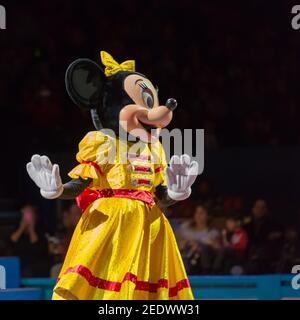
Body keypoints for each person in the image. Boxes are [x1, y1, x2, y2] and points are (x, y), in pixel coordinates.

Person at [178, 205, 220, 274]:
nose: (198, 215)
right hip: (186, 257)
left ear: (208, 216)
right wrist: (188, 243)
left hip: (203, 262)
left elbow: (217, 248)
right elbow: (178, 245)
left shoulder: (213, 233)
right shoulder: (185, 228)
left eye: (201, 213)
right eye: (196, 213)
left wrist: (201, 244)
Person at [9, 204, 49, 277]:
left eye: (29, 213)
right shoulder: (16, 228)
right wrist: (21, 228)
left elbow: (37, 246)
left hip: (35, 264)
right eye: (25, 213)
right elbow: (11, 241)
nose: (27, 216)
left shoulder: (40, 230)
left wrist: (31, 229)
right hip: (19, 262)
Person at [244, 199, 282, 274]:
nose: (260, 210)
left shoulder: (273, 225)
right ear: (253, 209)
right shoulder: (246, 227)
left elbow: (279, 237)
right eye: (258, 207)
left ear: (266, 210)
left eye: (263, 208)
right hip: (248, 253)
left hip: (265, 255)